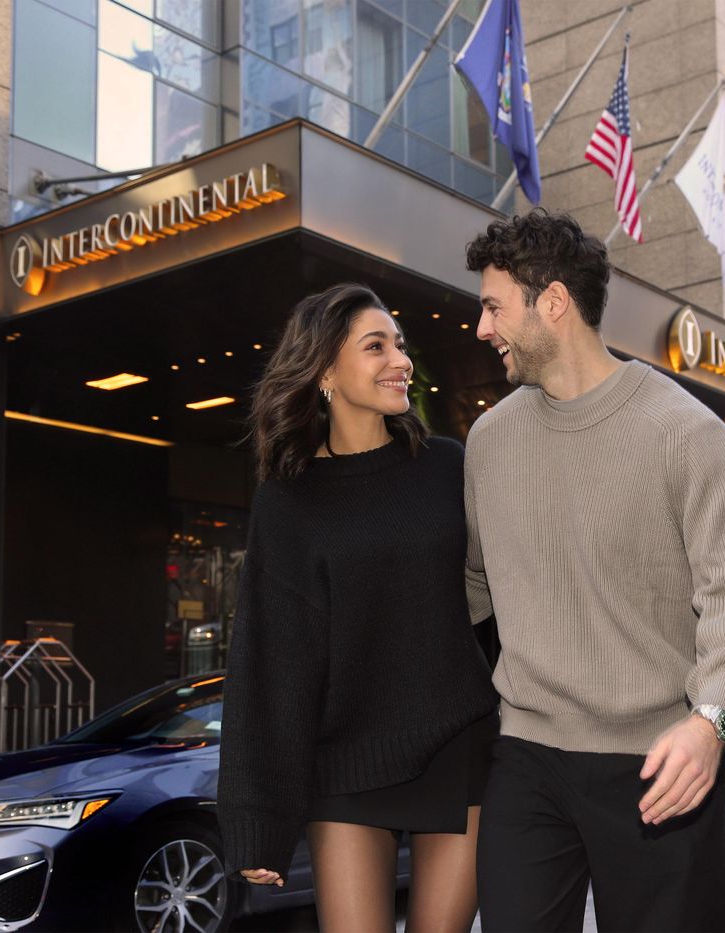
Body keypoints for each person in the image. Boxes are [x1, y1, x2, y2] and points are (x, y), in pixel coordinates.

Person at [462, 210, 725, 932]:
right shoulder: (489, 442)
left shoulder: (688, 434)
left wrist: (713, 726)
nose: (482, 328)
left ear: (553, 304)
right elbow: (472, 587)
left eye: (492, 306)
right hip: (526, 759)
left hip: (660, 762)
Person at [218, 283, 499, 932]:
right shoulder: (288, 499)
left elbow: (506, 591)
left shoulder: (446, 468)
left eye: (399, 345)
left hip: (458, 745)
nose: (399, 359)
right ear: (323, 371)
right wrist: (258, 818)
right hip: (344, 762)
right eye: (376, 346)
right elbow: (271, 659)